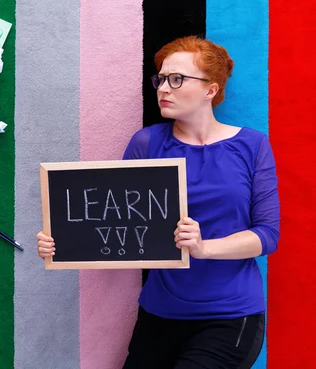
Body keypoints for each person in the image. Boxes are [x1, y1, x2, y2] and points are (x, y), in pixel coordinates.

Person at [37, 35, 280, 369]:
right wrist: (62, 241)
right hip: (160, 311)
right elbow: (114, 222)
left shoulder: (252, 146)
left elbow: (267, 234)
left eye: (177, 79)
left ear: (210, 90)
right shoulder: (147, 143)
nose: (164, 88)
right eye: (161, 79)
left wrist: (204, 247)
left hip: (230, 315)